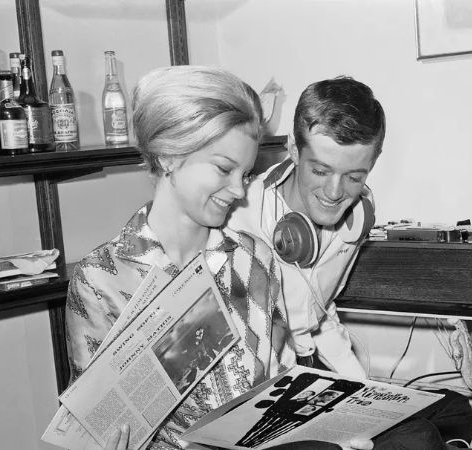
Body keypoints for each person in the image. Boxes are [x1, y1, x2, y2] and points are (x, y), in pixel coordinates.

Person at [65, 65, 298, 449]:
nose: (239, 189)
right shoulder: (102, 279)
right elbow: (91, 426)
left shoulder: (254, 259)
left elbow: (280, 389)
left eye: (246, 172)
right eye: (224, 169)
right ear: (170, 156)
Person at [226, 76, 384, 378]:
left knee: (449, 412)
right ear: (294, 150)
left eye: (354, 177)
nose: (335, 192)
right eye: (321, 170)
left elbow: (319, 314)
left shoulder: (358, 213)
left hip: (309, 362)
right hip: (257, 371)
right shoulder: (241, 215)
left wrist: (362, 385)